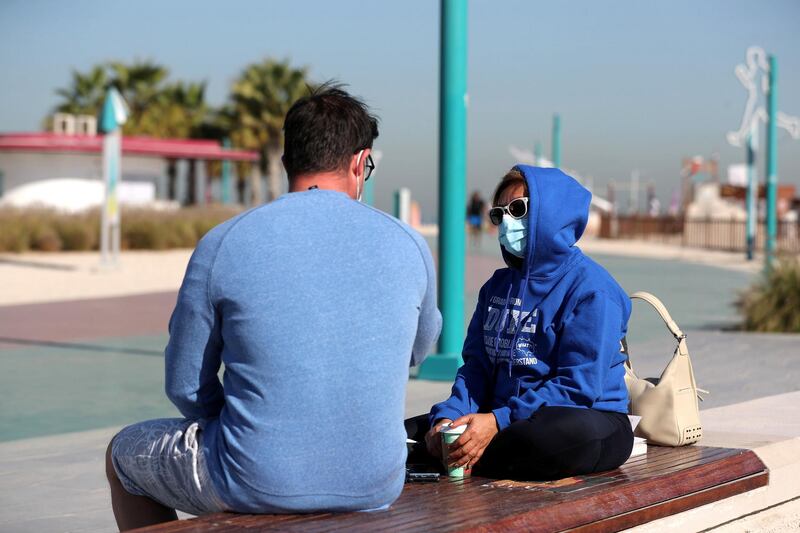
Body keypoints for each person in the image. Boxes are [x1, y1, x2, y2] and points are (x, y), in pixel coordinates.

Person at [106, 85, 442, 530]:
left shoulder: (224, 243)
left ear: (288, 162)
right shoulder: (409, 244)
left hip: (253, 477)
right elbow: (418, 352)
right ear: (361, 163)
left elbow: (186, 386)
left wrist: (243, 426)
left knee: (123, 454)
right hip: (375, 482)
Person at [407, 165, 632, 481]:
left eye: (518, 209)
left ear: (552, 213)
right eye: (499, 214)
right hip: (499, 415)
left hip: (586, 417)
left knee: (541, 439)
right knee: (407, 434)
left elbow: (576, 388)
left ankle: (464, 456)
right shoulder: (497, 287)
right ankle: (460, 452)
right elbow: (476, 368)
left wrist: (497, 421)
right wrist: (449, 419)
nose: (507, 222)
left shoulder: (593, 290)